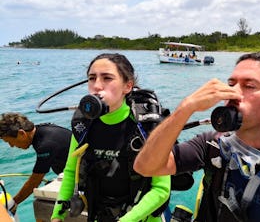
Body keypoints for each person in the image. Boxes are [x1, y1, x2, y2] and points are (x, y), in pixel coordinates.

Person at [134, 52, 260, 221]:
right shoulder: (213, 144)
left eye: (249, 86)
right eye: (231, 84)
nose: (233, 93)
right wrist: (186, 108)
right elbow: (146, 166)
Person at [51, 53, 170, 222]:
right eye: (92, 78)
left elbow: (161, 189)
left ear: (127, 86)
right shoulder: (83, 124)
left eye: (107, 78)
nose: (97, 86)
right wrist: (57, 215)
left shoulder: (147, 126)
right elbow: (71, 171)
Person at [0, 112, 71, 212]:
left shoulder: (45, 144)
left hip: (86, 178)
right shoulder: (42, 129)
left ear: (22, 133)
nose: (11, 145)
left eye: (10, 141)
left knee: (41, 205)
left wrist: (13, 204)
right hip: (73, 175)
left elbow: (34, 181)